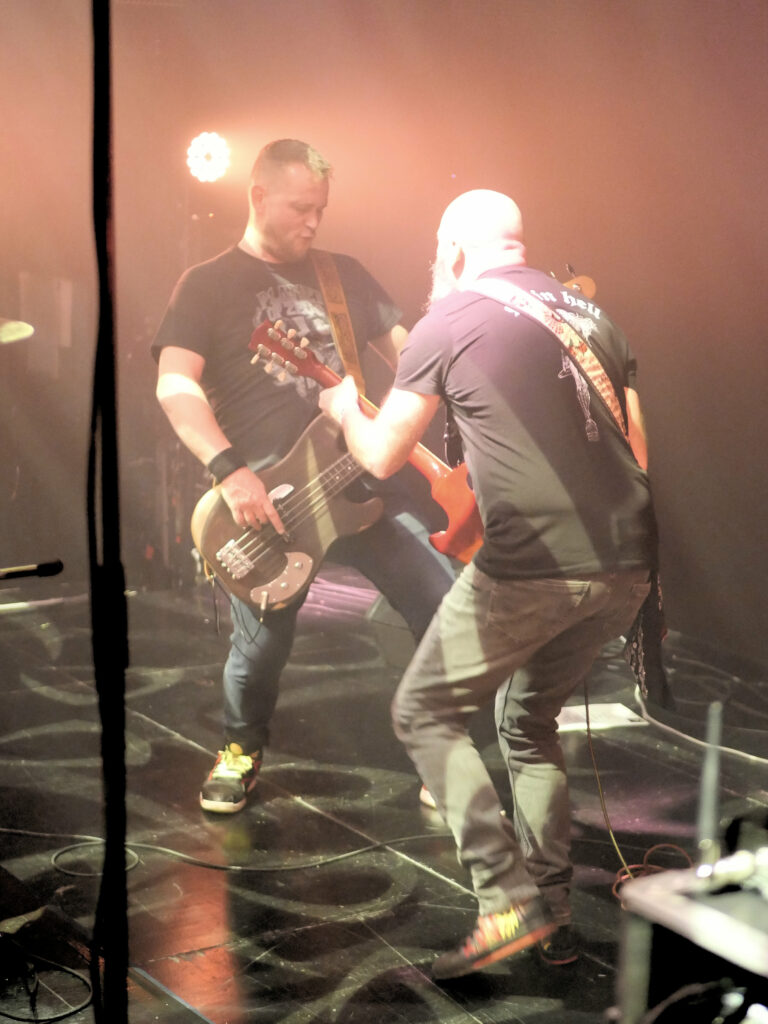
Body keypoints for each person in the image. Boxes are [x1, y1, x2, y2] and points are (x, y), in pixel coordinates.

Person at [319, 189, 659, 980]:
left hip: (535, 563)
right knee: (527, 722)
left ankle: (506, 902)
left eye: (437, 254)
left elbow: (380, 455)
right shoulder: (595, 319)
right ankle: (551, 917)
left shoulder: (447, 318)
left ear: (455, 251)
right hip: (629, 565)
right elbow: (636, 452)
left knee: (423, 712)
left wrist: (341, 409)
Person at [151, 139, 455, 813]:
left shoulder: (344, 275)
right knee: (261, 648)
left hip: (363, 482)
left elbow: (413, 360)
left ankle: (441, 754)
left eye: (321, 209)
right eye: (299, 208)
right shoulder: (206, 284)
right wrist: (229, 470)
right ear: (258, 196)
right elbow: (175, 385)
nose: (313, 222)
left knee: (444, 604)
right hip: (272, 502)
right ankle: (240, 749)